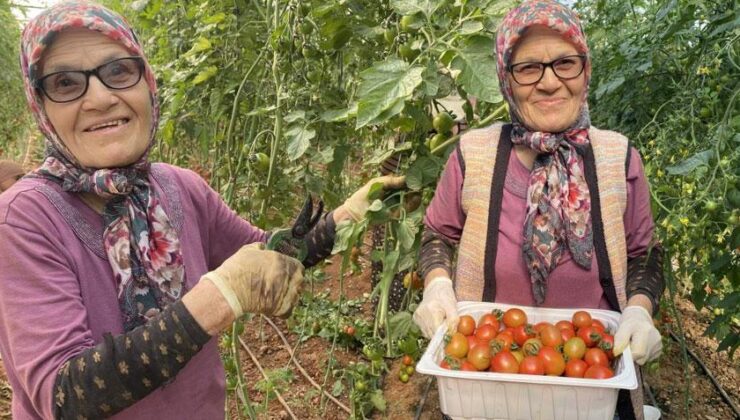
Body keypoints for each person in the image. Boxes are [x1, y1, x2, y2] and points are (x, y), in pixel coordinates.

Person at [0, 2, 403, 419]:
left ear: (147, 83)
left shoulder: (179, 187)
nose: (100, 98)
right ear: (40, 105)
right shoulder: (23, 219)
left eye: (119, 71)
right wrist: (221, 297)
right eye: (65, 83)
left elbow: (268, 257)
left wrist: (350, 215)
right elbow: (64, 395)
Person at [412, 1, 664, 418]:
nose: (549, 83)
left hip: (591, 384)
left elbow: (645, 253)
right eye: (528, 68)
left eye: (565, 63)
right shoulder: (472, 155)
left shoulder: (618, 157)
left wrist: (640, 308)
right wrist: (437, 284)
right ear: (506, 80)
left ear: (585, 71)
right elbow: (437, 234)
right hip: (488, 381)